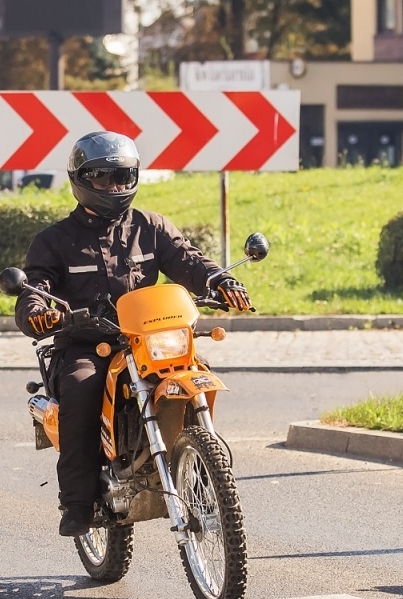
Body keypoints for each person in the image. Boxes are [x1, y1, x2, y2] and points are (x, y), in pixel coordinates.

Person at [14, 131, 253, 537]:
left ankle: (201, 465)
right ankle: (77, 501)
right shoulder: (53, 242)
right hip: (89, 344)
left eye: (123, 177)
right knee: (82, 387)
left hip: (147, 340)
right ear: (81, 179)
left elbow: (188, 260)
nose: (115, 186)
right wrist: (39, 311)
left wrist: (218, 281)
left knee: (196, 370)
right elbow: (36, 287)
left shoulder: (151, 227)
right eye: (104, 178)